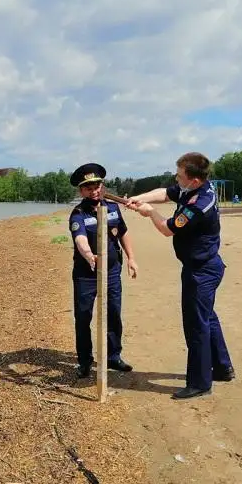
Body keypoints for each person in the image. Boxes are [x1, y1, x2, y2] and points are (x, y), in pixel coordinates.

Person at [125, 152, 234, 400]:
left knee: (196, 326)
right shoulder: (191, 189)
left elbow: (167, 229)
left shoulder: (199, 204)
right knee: (207, 318)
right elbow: (166, 192)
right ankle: (222, 367)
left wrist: (150, 212)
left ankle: (200, 383)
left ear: (194, 180)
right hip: (204, 266)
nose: (177, 178)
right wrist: (135, 199)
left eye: (180, 174)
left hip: (201, 271)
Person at [68, 162, 138, 379]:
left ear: (102, 185)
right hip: (86, 274)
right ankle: (85, 361)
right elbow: (80, 239)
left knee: (113, 313)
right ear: (81, 191)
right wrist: (90, 256)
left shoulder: (113, 208)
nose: (94, 190)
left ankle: (113, 356)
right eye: (88, 187)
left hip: (112, 271)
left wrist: (131, 258)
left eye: (97, 185)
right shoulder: (78, 213)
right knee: (83, 316)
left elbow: (123, 232)